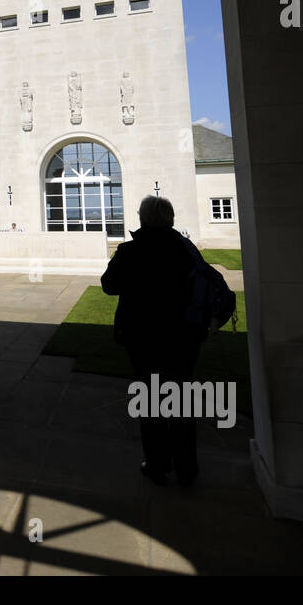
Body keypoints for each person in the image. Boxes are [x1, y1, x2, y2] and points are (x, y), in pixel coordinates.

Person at [100, 195, 206, 487]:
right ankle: (187, 468)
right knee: (182, 402)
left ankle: (157, 465)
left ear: (143, 218)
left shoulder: (131, 251)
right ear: (170, 219)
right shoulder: (186, 250)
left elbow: (109, 286)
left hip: (143, 337)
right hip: (183, 336)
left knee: (151, 402)